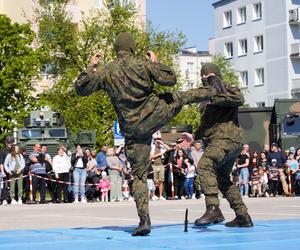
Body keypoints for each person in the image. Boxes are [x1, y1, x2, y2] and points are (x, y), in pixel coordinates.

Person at [75, 32, 221, 236]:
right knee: (179, 97)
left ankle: (144, 220)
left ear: (117, 49)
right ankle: (215, 91)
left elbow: (80, 89)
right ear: (132, 48)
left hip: (134, 129)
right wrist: (154, 63)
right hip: (155, 114)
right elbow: (170, 79)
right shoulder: (142, 64)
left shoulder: (105, 71)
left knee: (139, 176)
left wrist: (91, 67)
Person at [194, 63, 253, 228]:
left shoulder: (226, 88)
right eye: (203, 76)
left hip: (227, 139)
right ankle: (242, 215)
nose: (206, 79)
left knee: (205, 166)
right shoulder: (205, 95)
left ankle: (213, 209)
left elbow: (239, 99)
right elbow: (208, 123)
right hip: (219, 141)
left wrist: (215, 96)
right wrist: (195, 135)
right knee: (221, 179)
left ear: (217, 76)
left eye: (210, 76)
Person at [150, 135, 170, 200]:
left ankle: (161, 195)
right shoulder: (152, 148)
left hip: (161, 165)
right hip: (153, 165)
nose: (158, 141)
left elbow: (169, 148)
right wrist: (159, 154)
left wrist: (162, 143)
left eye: (159, 139)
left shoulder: (162, 147)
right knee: (154, 181)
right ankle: (154, 195)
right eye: (156, 140)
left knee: (161, 181)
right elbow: (150, 157)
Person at [0, 136, 14, 205]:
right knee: (5, 185)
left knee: (12, 185)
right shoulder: (3, 151)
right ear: (6, 143)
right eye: (8, 142)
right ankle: (4, 199)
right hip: (5, 171)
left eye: (11, 142)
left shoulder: (13, 151)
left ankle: (13, 198)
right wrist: (2, 171)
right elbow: (1, 163)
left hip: (12, 171)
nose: (10, 144)